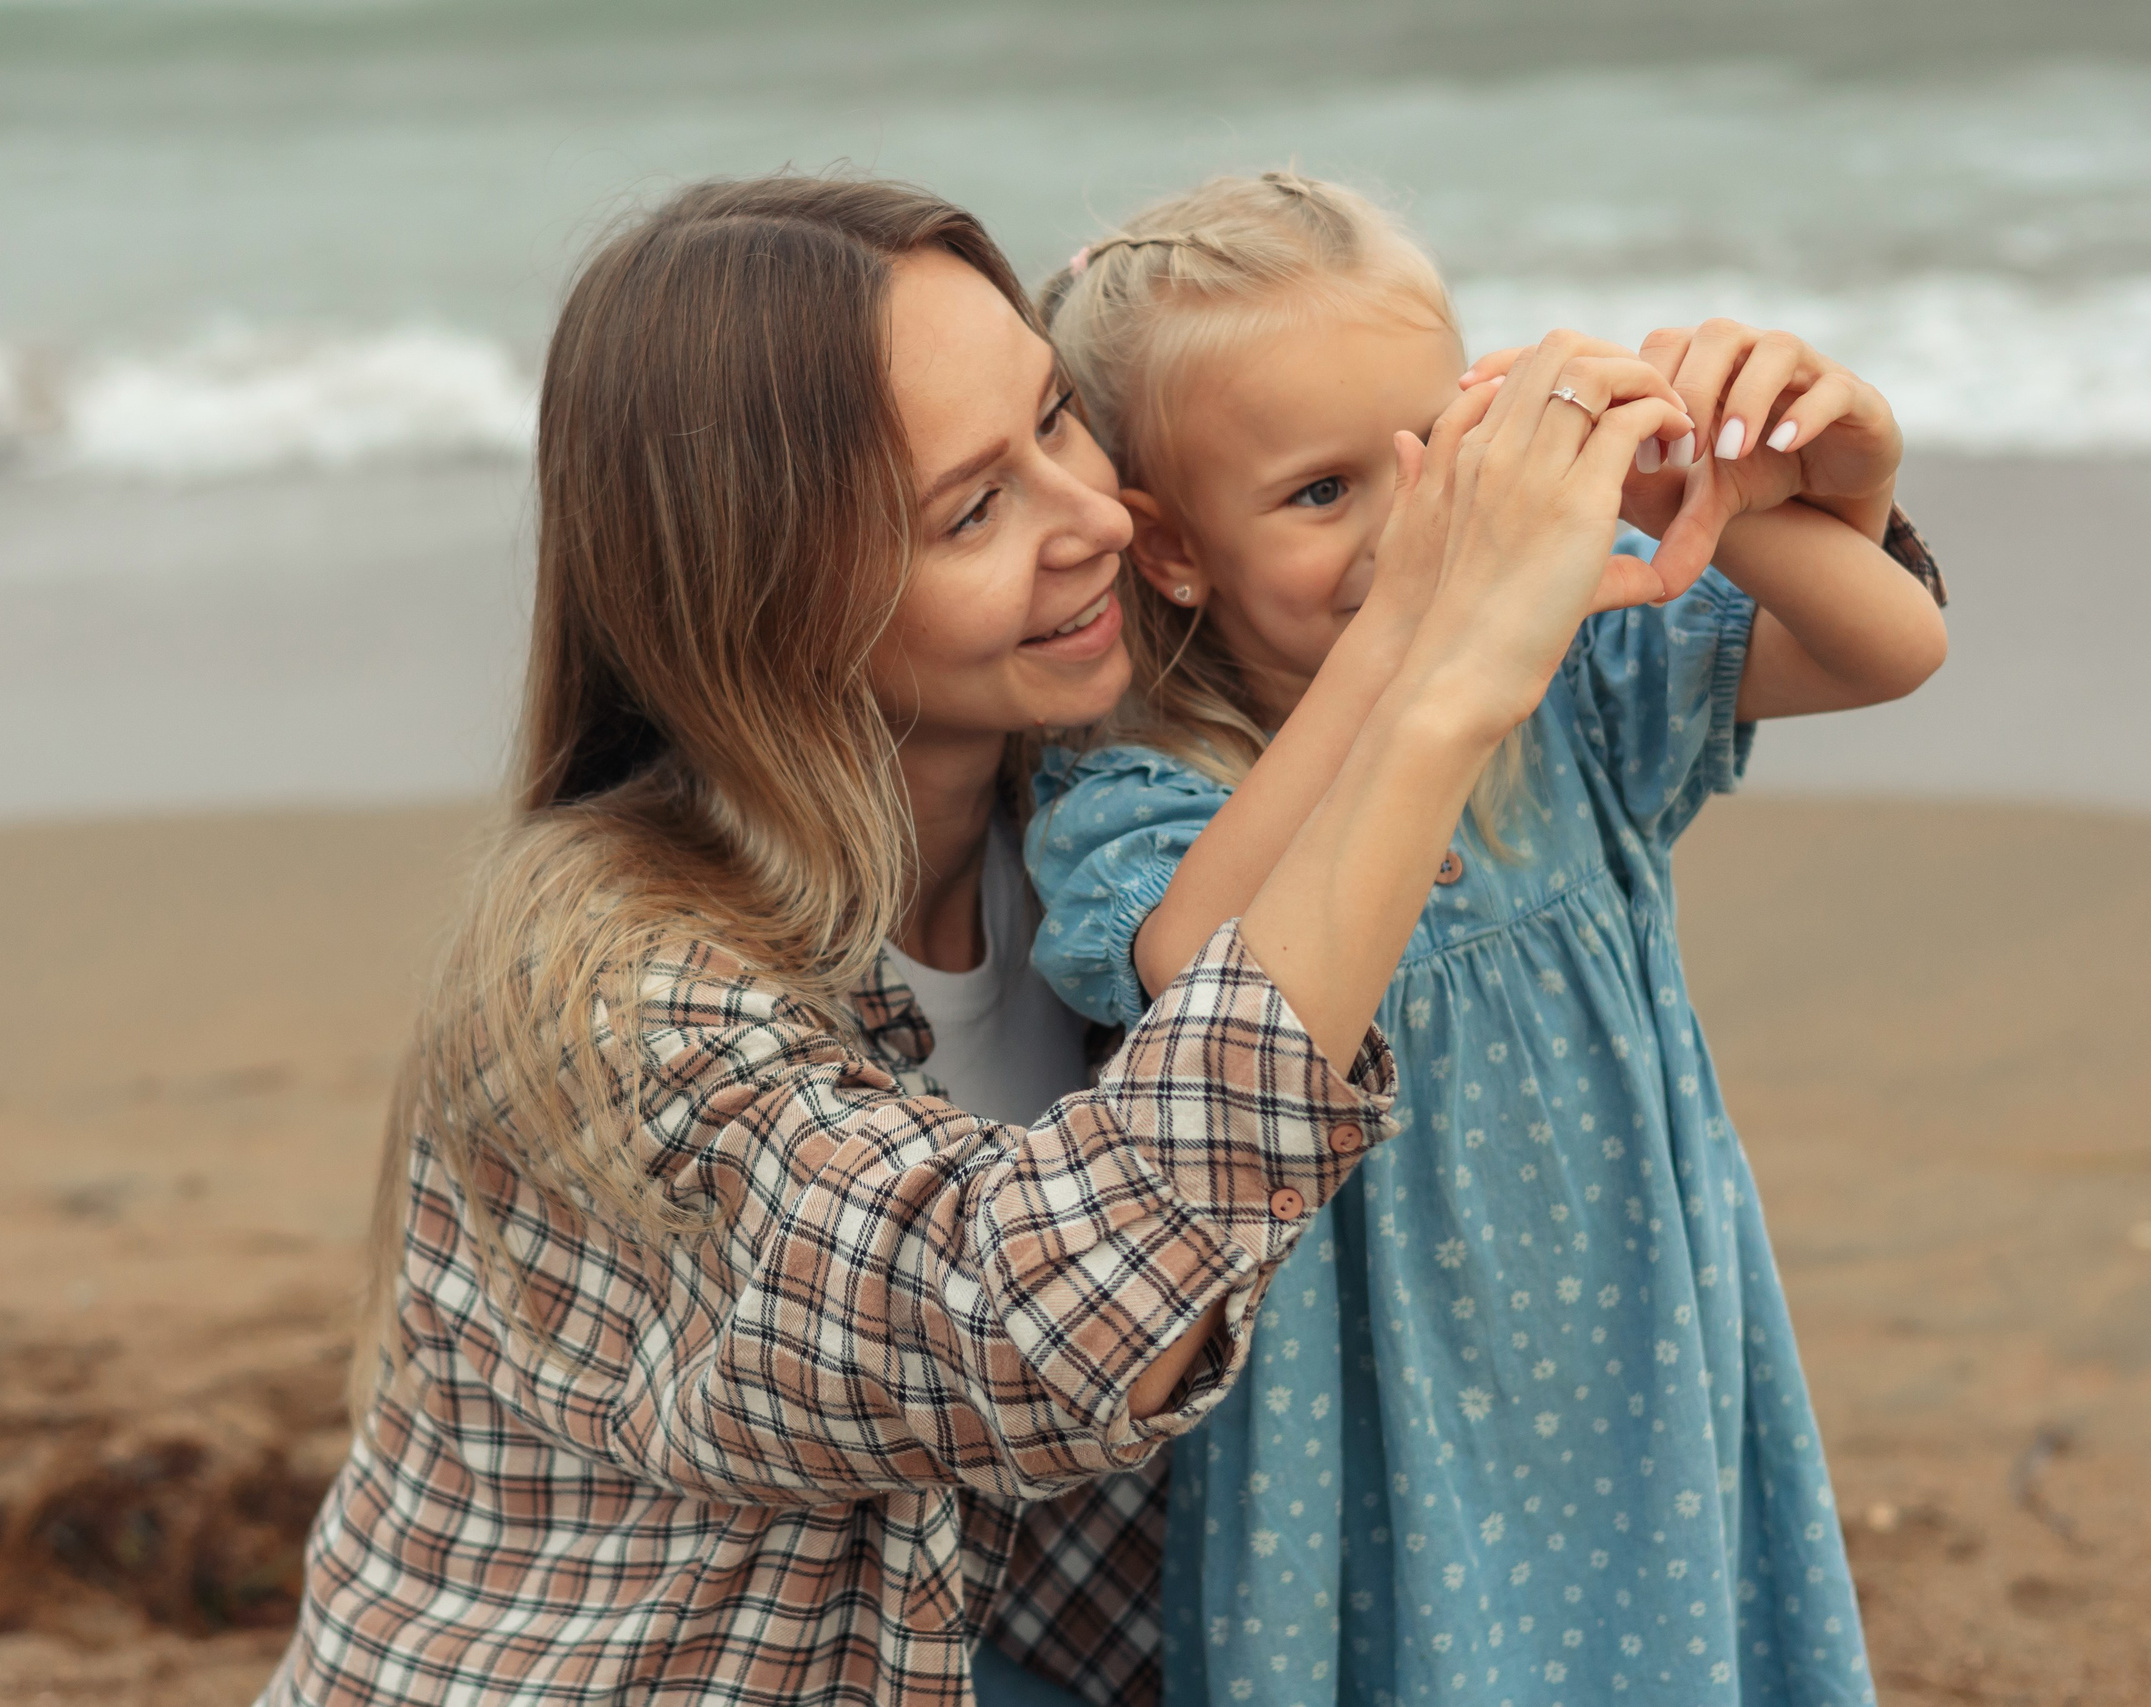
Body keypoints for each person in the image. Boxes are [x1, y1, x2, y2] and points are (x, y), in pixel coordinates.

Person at [256, 173, 1701, 1707]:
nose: (1098, 519)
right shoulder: (607, 982)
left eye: (1058, 421)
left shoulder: (1092, 807)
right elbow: (1056, 1333)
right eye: (972, 508)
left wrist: (1812, 475)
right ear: (767, 605)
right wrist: (1442, 671)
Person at [1023, 172, 1948, 1707]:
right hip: (1369, 1414)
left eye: (1438, 454)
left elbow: (1893, 652)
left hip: (1641, 1340)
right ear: (1170, 550)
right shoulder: (1141, 788)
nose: (1425, 527)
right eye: (1324, 493)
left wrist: (1704, 482)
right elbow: (1202, 973)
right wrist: (1420, 656)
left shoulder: (1570, 683)